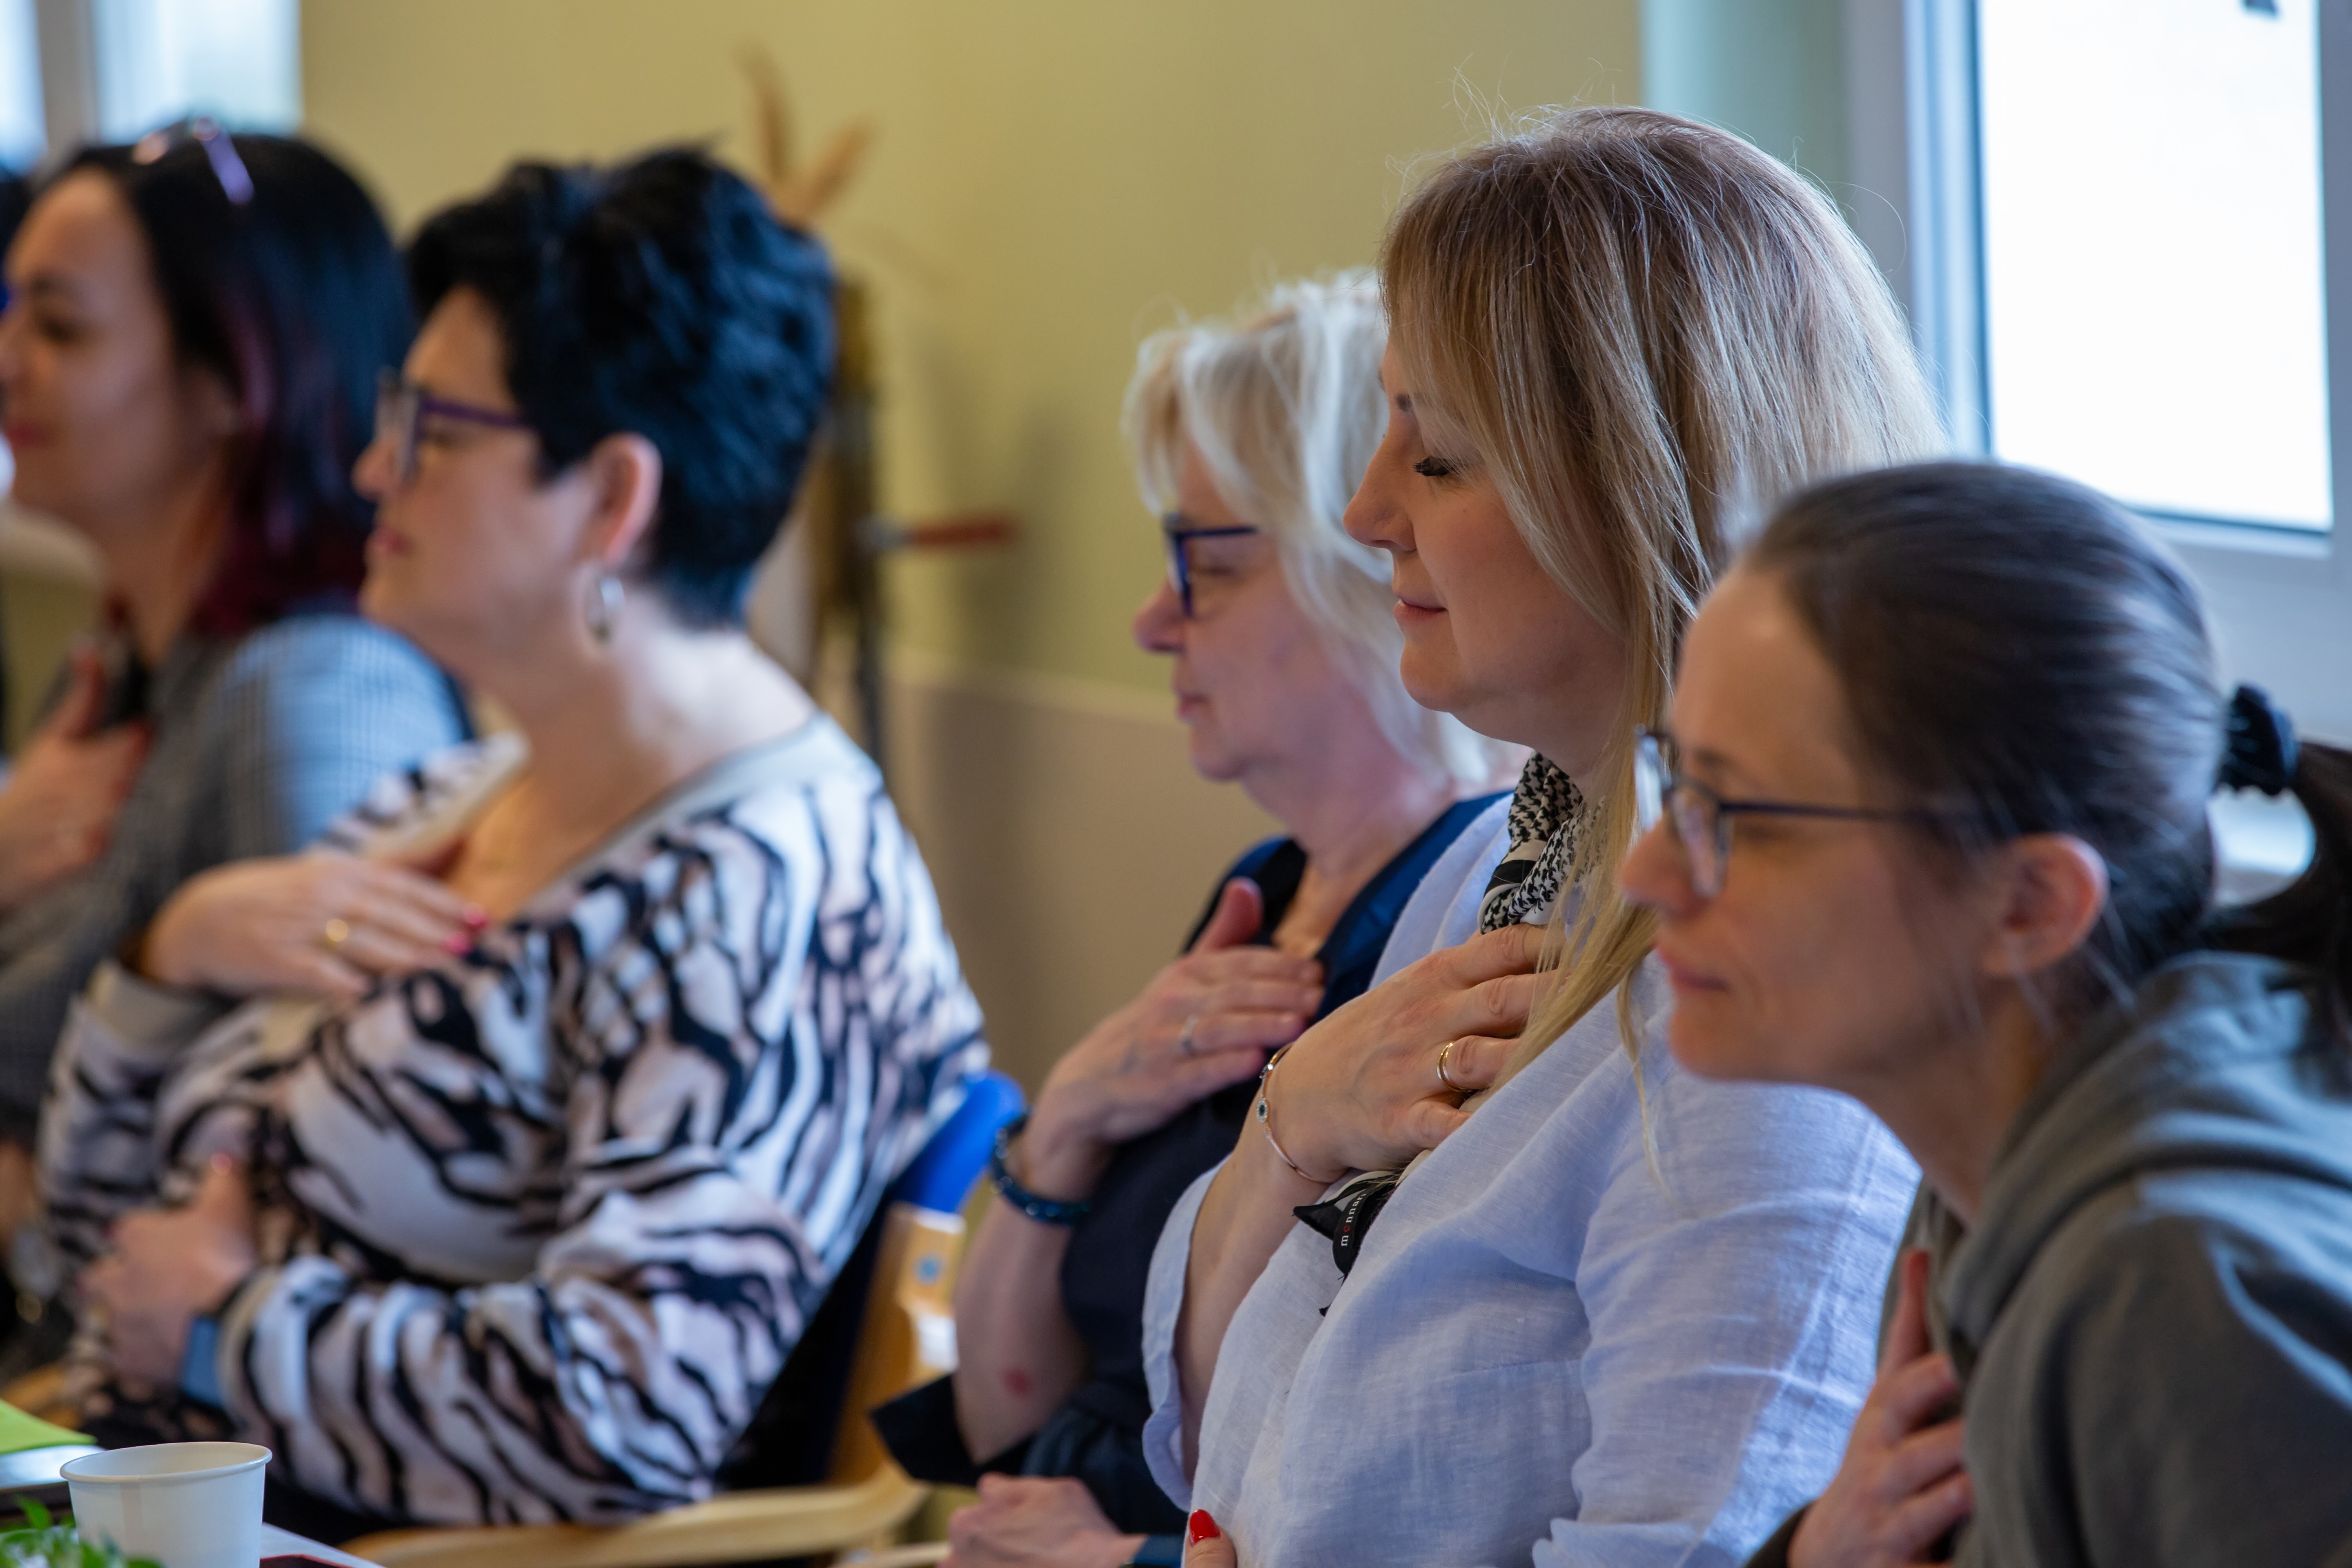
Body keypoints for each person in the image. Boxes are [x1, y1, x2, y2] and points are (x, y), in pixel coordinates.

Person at [33, 148, 990, 1536]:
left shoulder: (765, 892)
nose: (373, 469)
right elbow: (90, 1258)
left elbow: (621, 1420)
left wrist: (222, 1329)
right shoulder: (458, 797)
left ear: (611, 500)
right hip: (154, 1506)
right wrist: (167, 961)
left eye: (433, 430)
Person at [1144, 107, 1945, 1568]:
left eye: (1439, 458)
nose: (1365, 510)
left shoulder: (1766, 1045)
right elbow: (1208, 1442)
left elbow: (1684, 1546)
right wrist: (1289, 1122)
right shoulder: (1504, 868)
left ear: (1644, 491)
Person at [879, 276, 1512, 1568]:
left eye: (1206, 566)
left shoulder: (1467, 913)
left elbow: (1376, 1480)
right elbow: (1005, 1418)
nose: (1151, 620)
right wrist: (1064, 1123)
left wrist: (1134, 1563)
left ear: (1366, 569)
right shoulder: (1268, 891)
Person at [1619, 461, 2352, 1568]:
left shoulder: (2183, 1303)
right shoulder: (1988, 1175)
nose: (1645, 873)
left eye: (1740, 815)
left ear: (2029, 905)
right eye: (1676, 781)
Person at [0, 125, 467, 1247]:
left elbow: (312, 1192)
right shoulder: (123, 665)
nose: (6, 359)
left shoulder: (315, 697)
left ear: (231, 381)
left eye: (59, 327)